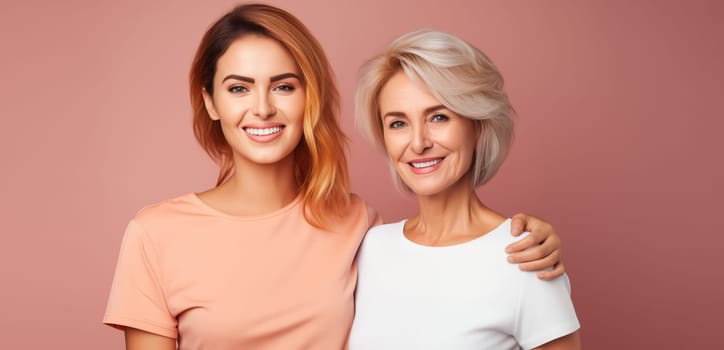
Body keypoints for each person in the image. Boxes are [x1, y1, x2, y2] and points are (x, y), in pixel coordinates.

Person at [103, 4, 566, 349]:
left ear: (312, 97)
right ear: (210, 103)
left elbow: (441, 278)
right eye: (238, 88)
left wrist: (522, 235)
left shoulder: (358, 225)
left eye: (284, 86)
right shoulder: (156, 235)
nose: (262, 108)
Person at [349, 29, 581, 349]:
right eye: (398, 123)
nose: (418, 143)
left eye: (439, 117)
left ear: (477, 126)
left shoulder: (524, 256)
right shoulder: (371, 248)